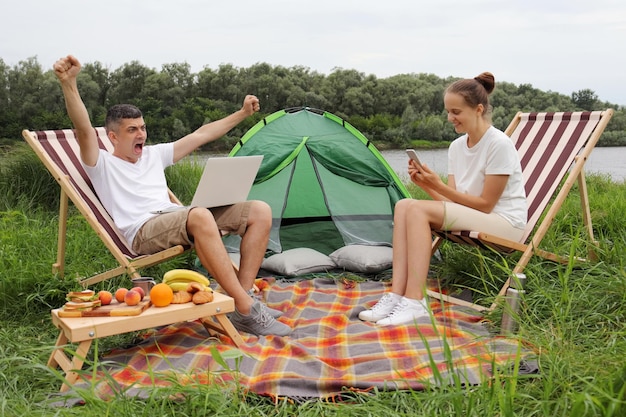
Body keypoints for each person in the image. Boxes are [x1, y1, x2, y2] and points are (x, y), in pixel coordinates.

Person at [53, 55, 290, 337]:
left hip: (176, 218)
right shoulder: (100, 163)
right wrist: (69, 83)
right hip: (143, 229)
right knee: (199, 214)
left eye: (142, 127)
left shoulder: (154, 154)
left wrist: (242, 114)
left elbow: (201, 135)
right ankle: (245, 306)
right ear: (113, 137)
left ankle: (243, 302)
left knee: (259, 210)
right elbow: (82, 128)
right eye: (132, 130)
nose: (141, 134)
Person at [359, 72, 527, 326]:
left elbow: (485, 204)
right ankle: (397, 294)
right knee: (405, 204)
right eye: (448, 111)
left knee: (415, 210)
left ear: (478, 109)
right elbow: (453, 206)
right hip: (478, 216)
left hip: (504, 223)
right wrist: (426, 185)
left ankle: (415, 301)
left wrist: (436, 184)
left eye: (456, 112)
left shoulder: (499, 144)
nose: (450, 118)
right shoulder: (457, 147)